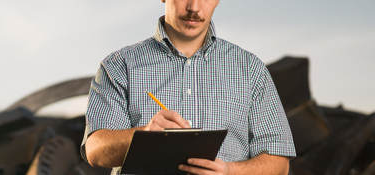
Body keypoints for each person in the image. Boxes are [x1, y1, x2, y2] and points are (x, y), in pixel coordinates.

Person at [81, 0, 296, 174]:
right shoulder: (119, 66)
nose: (194, 7)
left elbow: (279, 163)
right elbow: (95, 151)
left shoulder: (250, 70)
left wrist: (230, 171)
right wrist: (143, 135)